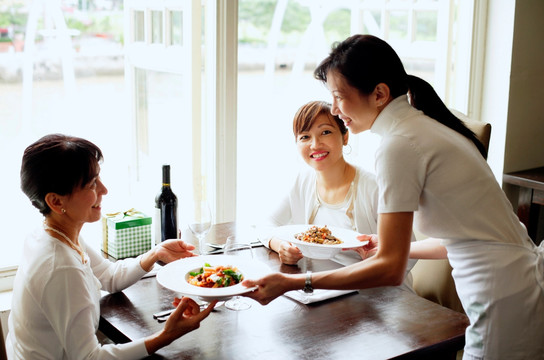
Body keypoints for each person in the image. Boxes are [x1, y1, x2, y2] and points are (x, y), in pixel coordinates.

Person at [243, 34, 544, 359]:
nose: (334, 109)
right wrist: (392, 246)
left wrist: (295, 283)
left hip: (500, 296)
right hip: (516, 283)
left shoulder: (398, 145)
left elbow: (391, 270)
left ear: (379, 94)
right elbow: (462, 237)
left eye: (339, 97)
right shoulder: (420, 127)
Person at [6, 134, 216, 359]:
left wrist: (156, 253)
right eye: (91, 184)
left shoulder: (52, 234)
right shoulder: (61, 267)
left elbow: (108, 276)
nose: (104, 190)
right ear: (56, 201)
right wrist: (166, 336)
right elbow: (89, 357)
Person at [260, 100, 416, 291]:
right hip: (324, 290)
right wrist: (280, 245)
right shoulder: (301, 181)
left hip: (380, 293)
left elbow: (411, 252)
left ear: (345, 137)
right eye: (305, 137)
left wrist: (376, 255)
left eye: (325, 132)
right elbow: (265, 225)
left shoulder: (374, 187)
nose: (315, 145)